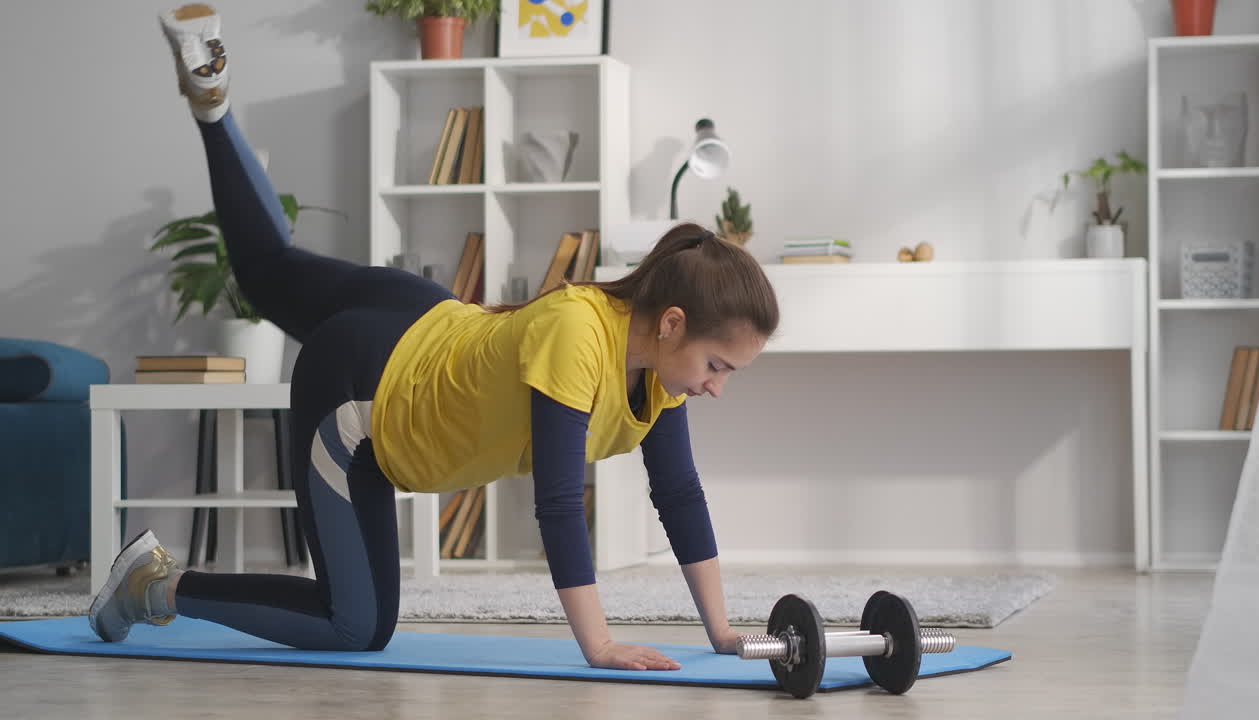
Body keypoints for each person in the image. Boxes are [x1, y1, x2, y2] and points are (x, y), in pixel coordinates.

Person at [89, 4, 780, 672]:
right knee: (353, 625)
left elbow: (679, 494)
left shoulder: (657, 376)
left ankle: (212, 102)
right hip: (359, 393)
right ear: (671, 323)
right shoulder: (580, 336)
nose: (715, 387)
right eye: (718, 366)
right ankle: (153, 585)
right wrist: (598, 645)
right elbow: (560, 504)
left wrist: (719, 631)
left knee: (270, 272)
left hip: (420, 315)